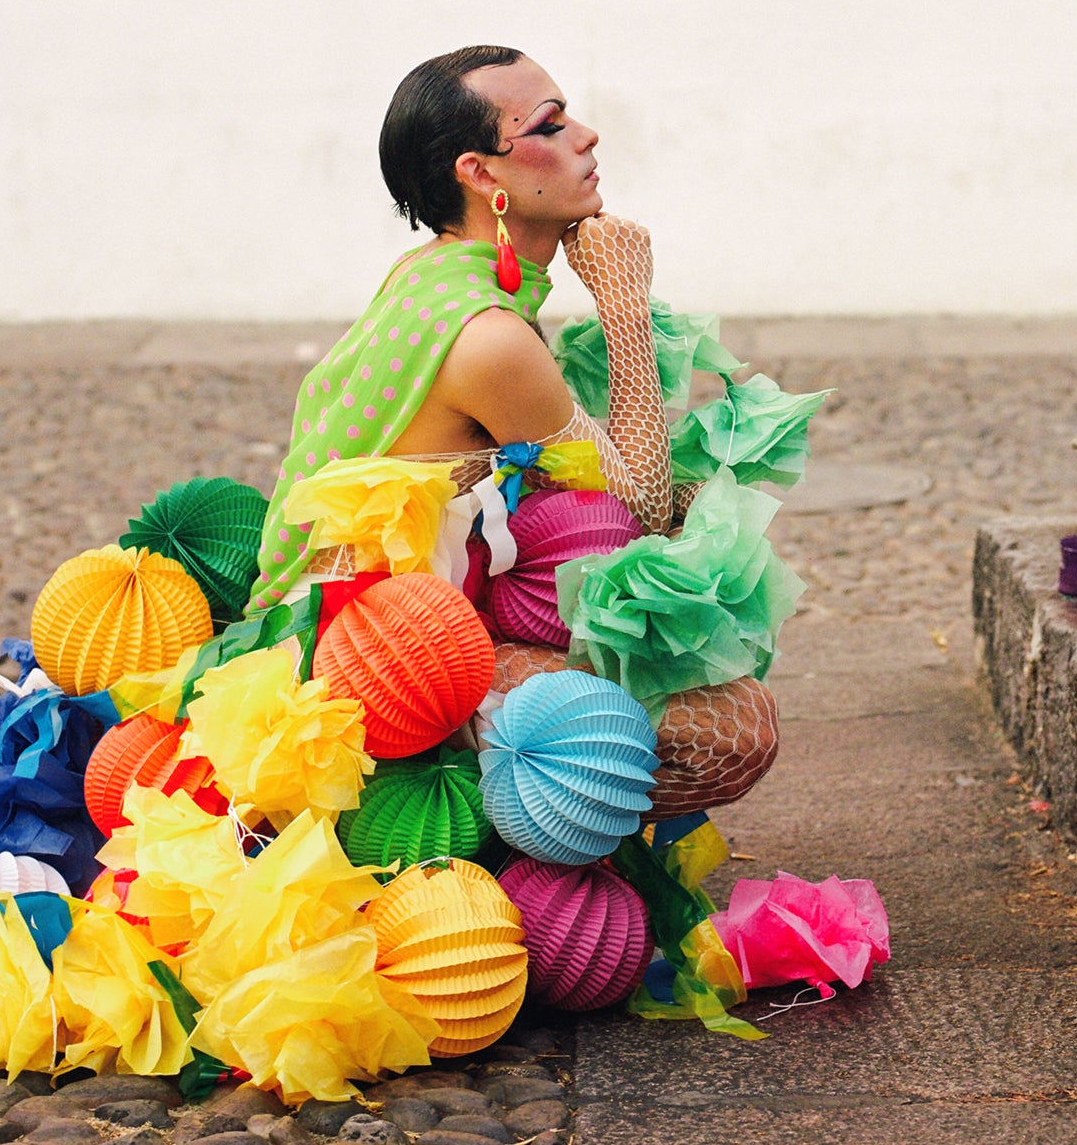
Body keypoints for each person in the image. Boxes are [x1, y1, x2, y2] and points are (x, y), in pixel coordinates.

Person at [253, 44, 777, 817]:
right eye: (550, 125)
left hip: (413, 611)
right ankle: (462, 840)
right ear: (481, 173)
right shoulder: (488, 336)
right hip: (369, 663)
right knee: (734, 732)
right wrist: (625, 308)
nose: (588, 136)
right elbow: (638, 509)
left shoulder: (432, 268)